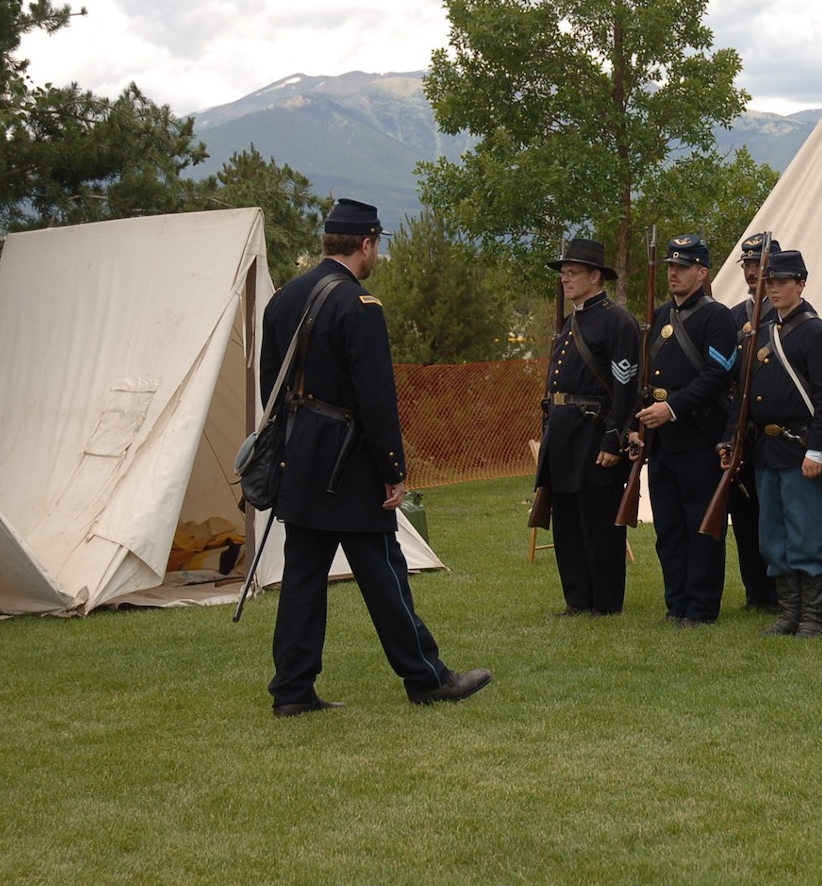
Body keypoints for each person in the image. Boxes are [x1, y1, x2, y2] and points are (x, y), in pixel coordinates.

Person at [260, 198, 490, 716]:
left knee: (302, 579)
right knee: (386, 574)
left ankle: (292, 692)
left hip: (298, 460)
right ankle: (427, 678)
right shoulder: (359, 306)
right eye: (377, 245)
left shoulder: (283, 300)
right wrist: (393, 470)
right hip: (351, 465)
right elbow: (376, 398)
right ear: (366, 243)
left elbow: (269, 388)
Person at [723, 249, 822, 638]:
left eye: (781, 282)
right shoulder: (760, 331)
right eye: (769, 283)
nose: (773, 289)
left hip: (801, 447)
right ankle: (789, 613)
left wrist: (817, 450)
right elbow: (743, 394)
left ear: (801, 284)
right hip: (767, 450)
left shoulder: (817, 333)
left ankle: (813, 616)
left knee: (807, 532)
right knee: (773, 534)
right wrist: (732, 439)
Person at [629, 233, 737, 627]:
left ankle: (701, 607)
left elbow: (717, 375)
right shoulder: (660, 315)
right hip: (662, 440)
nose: (674, 273)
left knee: (701, 527)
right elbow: (646, 375)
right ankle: (676, 604)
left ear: (702, 272)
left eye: (683, 267)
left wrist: (672, 408)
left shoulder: (717, 316)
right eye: (671, 266)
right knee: (669, 528)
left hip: (698, 435)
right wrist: (640, 422)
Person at [535, 238, 641, 617]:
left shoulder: (616, 320)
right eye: (563, 273)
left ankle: (605, 601)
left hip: (595, 433)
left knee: (597, 522)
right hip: (564, 435)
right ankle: (577, 598)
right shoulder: (573, 319)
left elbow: (626, 387)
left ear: (595, 276)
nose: (565, 279)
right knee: (566, 522)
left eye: (572, 273)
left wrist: (614, 437)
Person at [725, 232, 778, 612]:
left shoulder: (788, 315)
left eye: (759, 264)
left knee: (777, 515)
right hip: (742, 431)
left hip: (775, 435)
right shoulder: (731, 319)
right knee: (744, 517)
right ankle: (755, 592)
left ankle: (782, 594)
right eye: (747, 265)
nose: (752, 272)